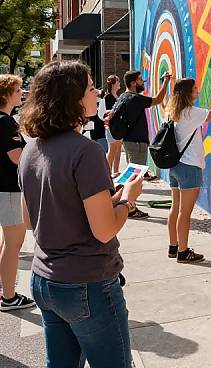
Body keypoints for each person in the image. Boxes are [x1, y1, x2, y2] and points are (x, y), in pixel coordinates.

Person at [18, 60, 143, 367]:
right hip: (87, 284)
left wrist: (103, 199)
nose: (97, 93)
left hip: (44, 280)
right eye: (90, 88)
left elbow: (30, 220)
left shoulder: (31, 149)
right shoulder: (86, 151)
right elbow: (104, 231)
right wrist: (127, 201)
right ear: (70, 98)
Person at [166, 77, 211, 263]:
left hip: (175, 165)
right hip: (190, 167)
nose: (198, 90)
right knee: (185, 213)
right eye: (195, 88)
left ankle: (173, 247)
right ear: (187, 92)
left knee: (176, 207)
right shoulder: (191, 113)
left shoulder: (172, 112)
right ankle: (184, 252)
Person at [0, 74, 35, 311]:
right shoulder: (5, 122)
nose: (21, 93)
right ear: (5, 94)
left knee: (6, 242)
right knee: (14, 243)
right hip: (9, 189)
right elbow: (17, 158)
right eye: (18, 90)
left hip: (4, 189)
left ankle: (5, 290)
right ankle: (9, 297)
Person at [120, 70, 171, 200]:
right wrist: (165, 82)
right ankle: (129, 204)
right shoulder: (135, 98)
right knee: (136, 177)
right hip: (137, 143)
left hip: (130, 141)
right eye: (140, 79)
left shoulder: (124, 97)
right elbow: (158, 100)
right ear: (133, 83)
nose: (143, 81)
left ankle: (122, 197)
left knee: (132, 173)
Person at [99, 75, 122, 177]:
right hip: (110, 127)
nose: (119, 84)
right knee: (112, 149)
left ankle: (116, 171)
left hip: (118, 126)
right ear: (113, 84)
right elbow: (105, 113)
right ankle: (107, 173)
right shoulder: (107, 97)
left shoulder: (117, 96)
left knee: (118, 148)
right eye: (118, 82)